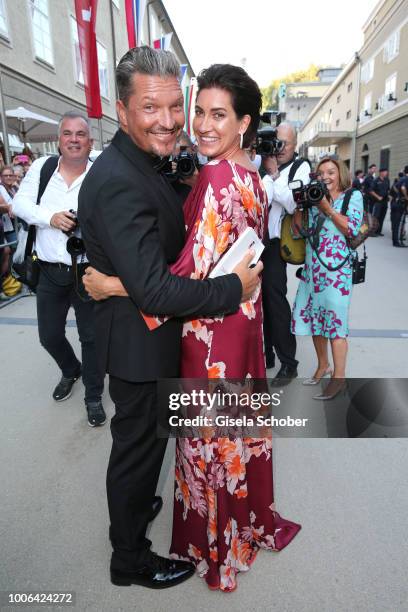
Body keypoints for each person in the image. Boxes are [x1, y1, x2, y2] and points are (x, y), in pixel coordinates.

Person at [83, 60, 301, 593]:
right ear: (122, 110)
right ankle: (132, 553)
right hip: (235, 331)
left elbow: (179, 277)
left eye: (214, 114)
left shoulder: (213, 177)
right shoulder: (250, 177)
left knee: (206, 442)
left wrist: (113, 285)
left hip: (211, 334)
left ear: (244, 123)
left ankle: (212, 536)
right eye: (197, 111)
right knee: (176, 444)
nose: (196, 124)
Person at [12, 111, 106, 427]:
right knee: (49, 335)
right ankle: (70, 369)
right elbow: (19, 205)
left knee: (91, 338)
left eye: (81, 134)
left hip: (88, 270)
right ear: (60, 139)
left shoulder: (100, 172)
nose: (74, 139)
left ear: (89, 141)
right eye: (68, 133)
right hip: (50, 270)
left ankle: (93, 396)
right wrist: (51, 217)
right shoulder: (42, 167)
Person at [291, 157, 364, 399]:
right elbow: (297, 233)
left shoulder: (352, 196)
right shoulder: (314, 197)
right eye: (321, 173)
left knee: (336, 326)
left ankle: (339, 379)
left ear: (340, 173)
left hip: (337, 273)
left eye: (331, 172)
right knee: (316, 322)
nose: (326, 177)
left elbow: (351, 229)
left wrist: (327, 208)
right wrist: (301, 206)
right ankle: (323, 366)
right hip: (313, 271)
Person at [261, 122, 310, 380]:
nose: (279, 149)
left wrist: (275, 175)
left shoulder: (301, 167)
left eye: (284, 144)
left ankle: (288, 362)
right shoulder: (261, 160)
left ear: (295, 145)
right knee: (255, 304)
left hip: (273, 246)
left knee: (275, 303)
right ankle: (265, 353)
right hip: (252, 243)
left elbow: (293, 203)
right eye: (276, 142)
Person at [372, 167, 390, 236]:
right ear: (381, 173)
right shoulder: (376, 180)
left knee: (382, 216)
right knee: (376, 216)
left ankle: (378, 231)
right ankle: (373, 231)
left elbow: (388, 189)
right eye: (385, 172)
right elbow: (371, 190)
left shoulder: (387, 180)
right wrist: (377, 197)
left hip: (385, 201)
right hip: (378, 202)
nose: (386, 173)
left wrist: (389, 195)